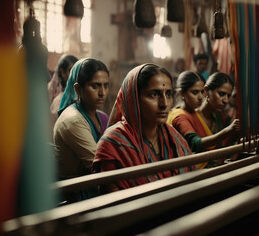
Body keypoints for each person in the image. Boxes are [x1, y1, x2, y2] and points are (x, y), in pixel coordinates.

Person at [93, 64, 195, 194]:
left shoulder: (173, 137)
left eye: (168, 94)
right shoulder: (113, 143)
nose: (164, 104)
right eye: (154, 94)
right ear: (133, 98)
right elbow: (114, 204)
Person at [53, 58, 109, 202]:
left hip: (92, 187)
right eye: (95, 86)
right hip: (74, 196)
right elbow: (98, 165)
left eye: (105, 85)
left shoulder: (99, 116)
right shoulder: (73, 120)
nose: (102, 93)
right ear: (78, 89)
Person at [168, 72, 240, 169]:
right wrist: (226, 132)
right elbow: (195, 143)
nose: (226, 100)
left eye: (228, 96)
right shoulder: (183, 116)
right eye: (221, 94)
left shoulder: (220, 117)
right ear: (208, 91)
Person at [49, 54, 78, 128]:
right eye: (71, 71)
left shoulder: (77, 93)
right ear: (62, 72)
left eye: (77, 72)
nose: (76, 76)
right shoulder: (59, 99)